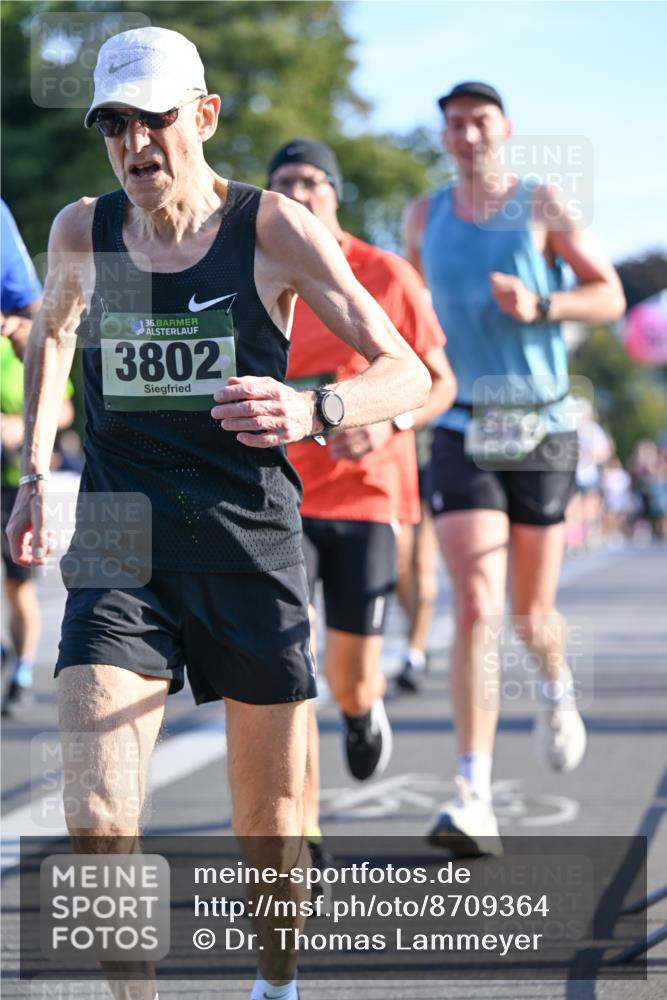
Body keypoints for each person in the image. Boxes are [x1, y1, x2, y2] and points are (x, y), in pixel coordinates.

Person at [7, 27, 430, 1000]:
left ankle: (276, 981)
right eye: (114, 124)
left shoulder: (270, 229)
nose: (134, 143)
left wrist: (314, 406)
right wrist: (36, 470)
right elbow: (53, 336)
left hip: (248, 538)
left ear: (202, 116)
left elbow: (401, 367)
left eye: (154, 118)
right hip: (122, 537)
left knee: (270, 827)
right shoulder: (85, 231)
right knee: (97, 814)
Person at [403, 81, 626, 856]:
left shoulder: (539, 203)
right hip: (463, 424)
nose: (465, 135)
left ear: (505, 130)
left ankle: (557, 689)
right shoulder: (422, 216)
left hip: (540, 425)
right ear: (444, 136)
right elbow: (409, 313)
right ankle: (471, 793)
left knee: (531, 615)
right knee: (474, 603)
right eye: (453, 124)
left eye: (478, 121)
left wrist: (541, 307)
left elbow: (608, 295)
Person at [266, 139, 455, 865]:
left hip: (370, 499)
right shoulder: (259, 274)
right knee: (288, 667)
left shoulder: (384, 274)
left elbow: (437, 380)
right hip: (281, 500)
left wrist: (383, 421)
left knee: (347, 675)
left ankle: (361, 706)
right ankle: (301, 828)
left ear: (335, 195)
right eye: (285, 184)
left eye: (313, 181)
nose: (300, 194)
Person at [1, 199, 44, 716]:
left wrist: (21, 429)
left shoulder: (17, 341)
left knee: (17, 588)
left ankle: (23, 668)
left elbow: (43, 334)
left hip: (11, 477)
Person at [393, 425, 440, 692]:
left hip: (430, 465)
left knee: (423, 566)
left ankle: (415, 652)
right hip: (397, 462)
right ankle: (415, 632)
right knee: (400, 566)